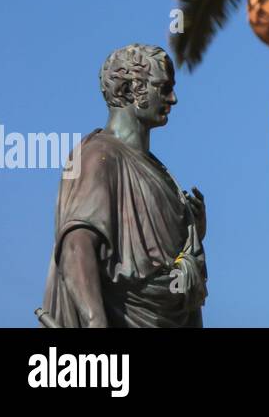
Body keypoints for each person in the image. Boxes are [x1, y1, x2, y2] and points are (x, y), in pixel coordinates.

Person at [39, 44, 207, 327]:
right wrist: (94, 321)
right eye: (163, 88)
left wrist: (193, 231)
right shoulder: (96, 157)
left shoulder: (162, 173)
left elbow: (161, 255)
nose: (173, 98)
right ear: (129, 91)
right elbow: (76, 247)